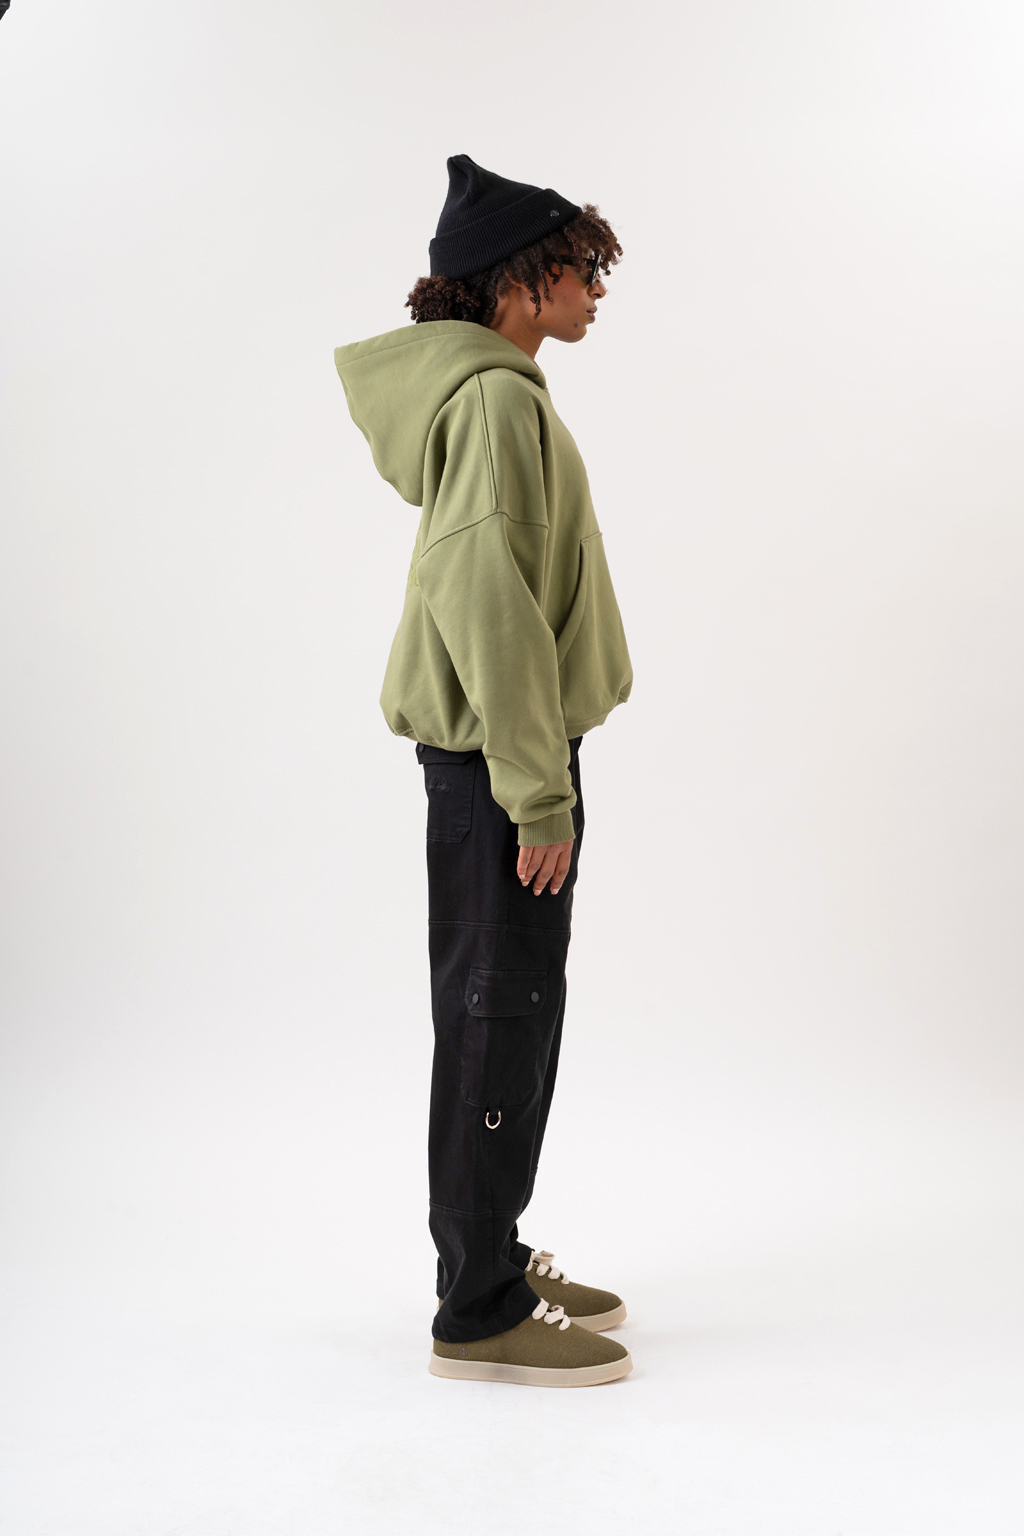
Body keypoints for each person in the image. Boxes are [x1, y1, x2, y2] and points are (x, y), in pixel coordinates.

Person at [334, 154, 633, 1387]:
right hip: (499, 767)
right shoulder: (497, 404)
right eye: (580, 270)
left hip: (502, 758)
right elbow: (484, 600)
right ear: (519, 282)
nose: (595, 292)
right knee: (495, 1012)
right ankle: (476, 1310)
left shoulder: (496, 394)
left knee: (512, 1010)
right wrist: (538, 790)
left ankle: (494, 1252)